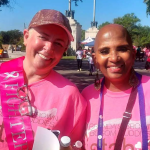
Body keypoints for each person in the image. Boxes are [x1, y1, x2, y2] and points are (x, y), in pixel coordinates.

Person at [0, 9, 87, 150]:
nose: (49, 47)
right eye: (43, 37)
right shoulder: (2, 74)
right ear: (26, 37)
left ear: (64, 49)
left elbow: (77, 144)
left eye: (58, 43)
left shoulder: (70, 95)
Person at [82, 24, 150, 149]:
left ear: (133, 54)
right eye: (104, 51)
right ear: (95, 59)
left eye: (122, 49)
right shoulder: (85, 97)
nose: (114, 58)